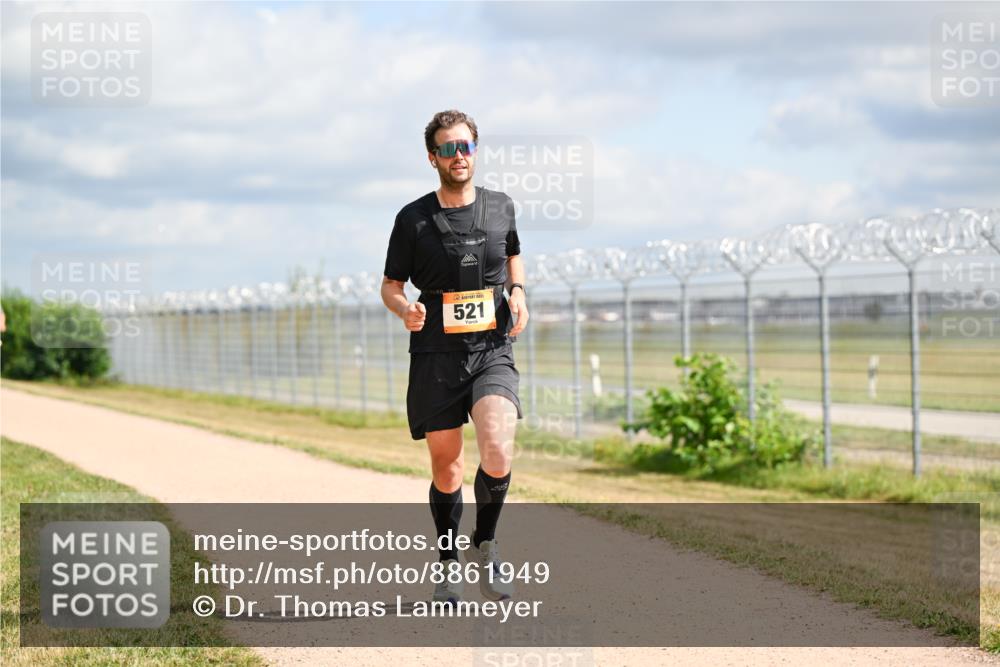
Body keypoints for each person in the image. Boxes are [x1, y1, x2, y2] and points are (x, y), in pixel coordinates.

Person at [381, 110, 528, 605]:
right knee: (448, 468)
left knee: (498, 447)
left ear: (475, 151)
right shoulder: (413, 219)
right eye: (448, 148)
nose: (458, 155)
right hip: (436, 355)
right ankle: (447, 561)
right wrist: (405, 309)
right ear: (432, 157)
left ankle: (485, 543)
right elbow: (391, 285)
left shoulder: (501, 206)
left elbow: (512, 254)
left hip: (491, 349)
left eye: (465, 146)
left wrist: (520, 290)